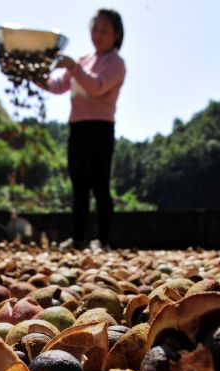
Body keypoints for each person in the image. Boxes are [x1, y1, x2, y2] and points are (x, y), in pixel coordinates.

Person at [40, 8, 126, 250]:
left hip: (100, 128)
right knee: (79, 184)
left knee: (99, 184)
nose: (98, 34)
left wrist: (74, 68)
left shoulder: (116, 63)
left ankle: (103, 239)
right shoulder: (84, 60)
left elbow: (96, 87)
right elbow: (58, 85)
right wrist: (36, 76)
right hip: (77, 127)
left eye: (105, 30)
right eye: (95, 29)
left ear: (117, 35)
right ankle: (77, 238)